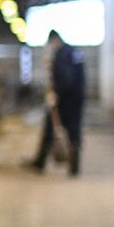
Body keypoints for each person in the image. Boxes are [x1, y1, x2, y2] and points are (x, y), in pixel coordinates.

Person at [32, 30, 85, 175]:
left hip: (63, 100)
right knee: (74, 131)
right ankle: (74, 167)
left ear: (54, 40)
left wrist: (56, 95)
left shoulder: (62, 54)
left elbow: (66, 79)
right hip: (77, 99)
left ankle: (40, 162)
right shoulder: (74, 52)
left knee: (50, 128)